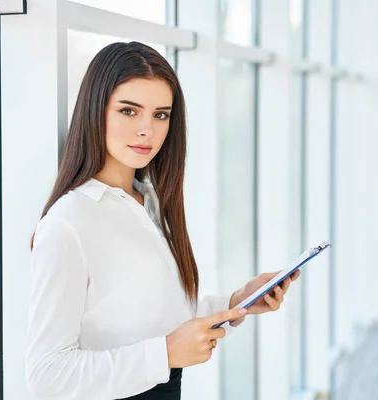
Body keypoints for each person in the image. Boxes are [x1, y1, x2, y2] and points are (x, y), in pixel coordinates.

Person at [25, 41, 301, 400]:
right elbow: (47, 376)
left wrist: (237, 303)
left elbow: (157, 318)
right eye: (128, 111)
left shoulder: (149, 203)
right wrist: (166, 353)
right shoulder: (68, 223)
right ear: (95, 111)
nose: (147, 130)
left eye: (160, 115)